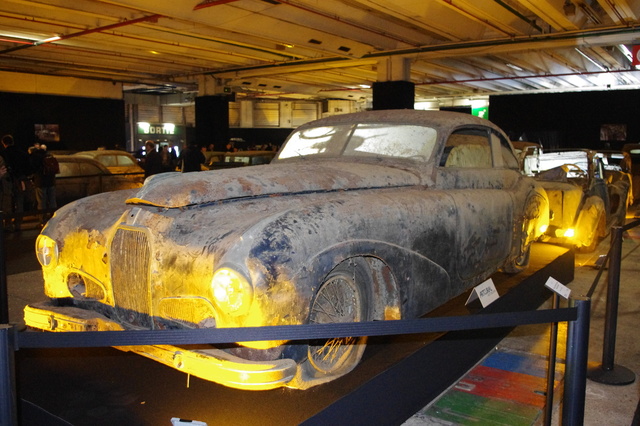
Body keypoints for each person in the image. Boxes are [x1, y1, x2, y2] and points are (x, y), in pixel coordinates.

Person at [0, 134, 32, 231]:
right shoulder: (22, 153)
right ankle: (18, 224)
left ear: (4, 143)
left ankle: (8, 224)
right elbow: (28, 168)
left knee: (7, 203)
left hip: (8, 181)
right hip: (21, 180)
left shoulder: (3, 154)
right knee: (19, 202)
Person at [30, 144, 58, 225]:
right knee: (52, 200)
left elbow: (32, 169)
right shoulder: (49, 155)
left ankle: (43, 220)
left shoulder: (36, 157)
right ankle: (54, 218)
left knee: (41, 201)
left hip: (40, 182)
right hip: (51, 181)